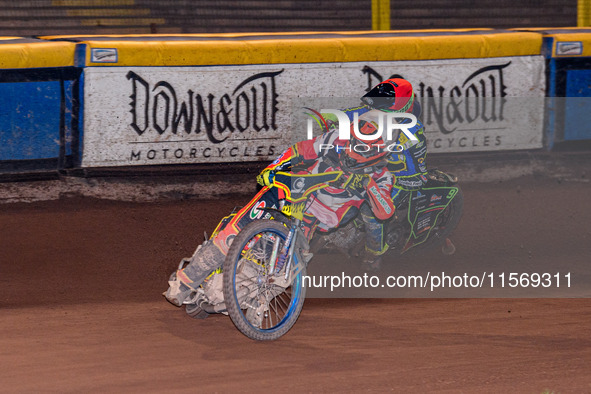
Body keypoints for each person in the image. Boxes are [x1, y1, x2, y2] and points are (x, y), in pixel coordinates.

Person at [164, 122, 394, 307]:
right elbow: (300, 150)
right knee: (235, 230)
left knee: (285, 269)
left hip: (316, 218)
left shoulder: (382, 177)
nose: (349, 148)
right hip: (294, 190)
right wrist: (273, 167)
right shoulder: (336, 139)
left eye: (357, 147)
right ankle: (185, 281)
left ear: (373, 154)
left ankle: (256, 301)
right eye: (352, 141)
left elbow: (385, 212)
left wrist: (369, 184)